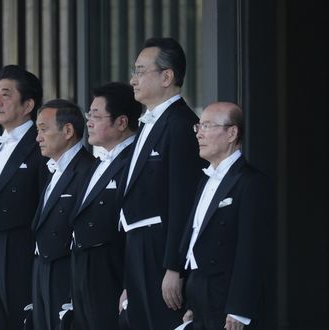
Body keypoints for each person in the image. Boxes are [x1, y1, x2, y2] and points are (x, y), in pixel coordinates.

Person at [119, 37, 207, 329]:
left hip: (160, 253)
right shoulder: (150, 122)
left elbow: (183, 202)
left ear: (167, 76)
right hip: (138, 249)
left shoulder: (181, 124)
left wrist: (174, 267)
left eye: (141, 71)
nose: (133, 79)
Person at [181, 102, 271, 330]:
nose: (199, 133)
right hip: (199, 291)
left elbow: (251, 249)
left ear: (232, 133)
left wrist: (240, 308)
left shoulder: (251, 181)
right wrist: (192, 301)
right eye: (198, 126)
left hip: (227, 295)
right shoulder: (204, 179)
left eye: (208, 126)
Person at [0, 65, 47, 330]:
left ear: (28, 105)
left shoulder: (40, 143)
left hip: (18, 242)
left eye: (6, 94)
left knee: (18, 317)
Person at [69, 82, 142, 329]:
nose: (88, 122)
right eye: (89, 115)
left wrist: (129, 284)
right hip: (84, 274)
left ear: (122, 122)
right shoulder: (95, 164)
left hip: (113, 273)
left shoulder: (135, 162)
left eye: (96, 116)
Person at [31, 99, 95, 330]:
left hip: (66, 271)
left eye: (43, 129)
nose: (38, 137)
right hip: (42, 268)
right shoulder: (53, 168)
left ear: (68, 130)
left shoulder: (88, 170)